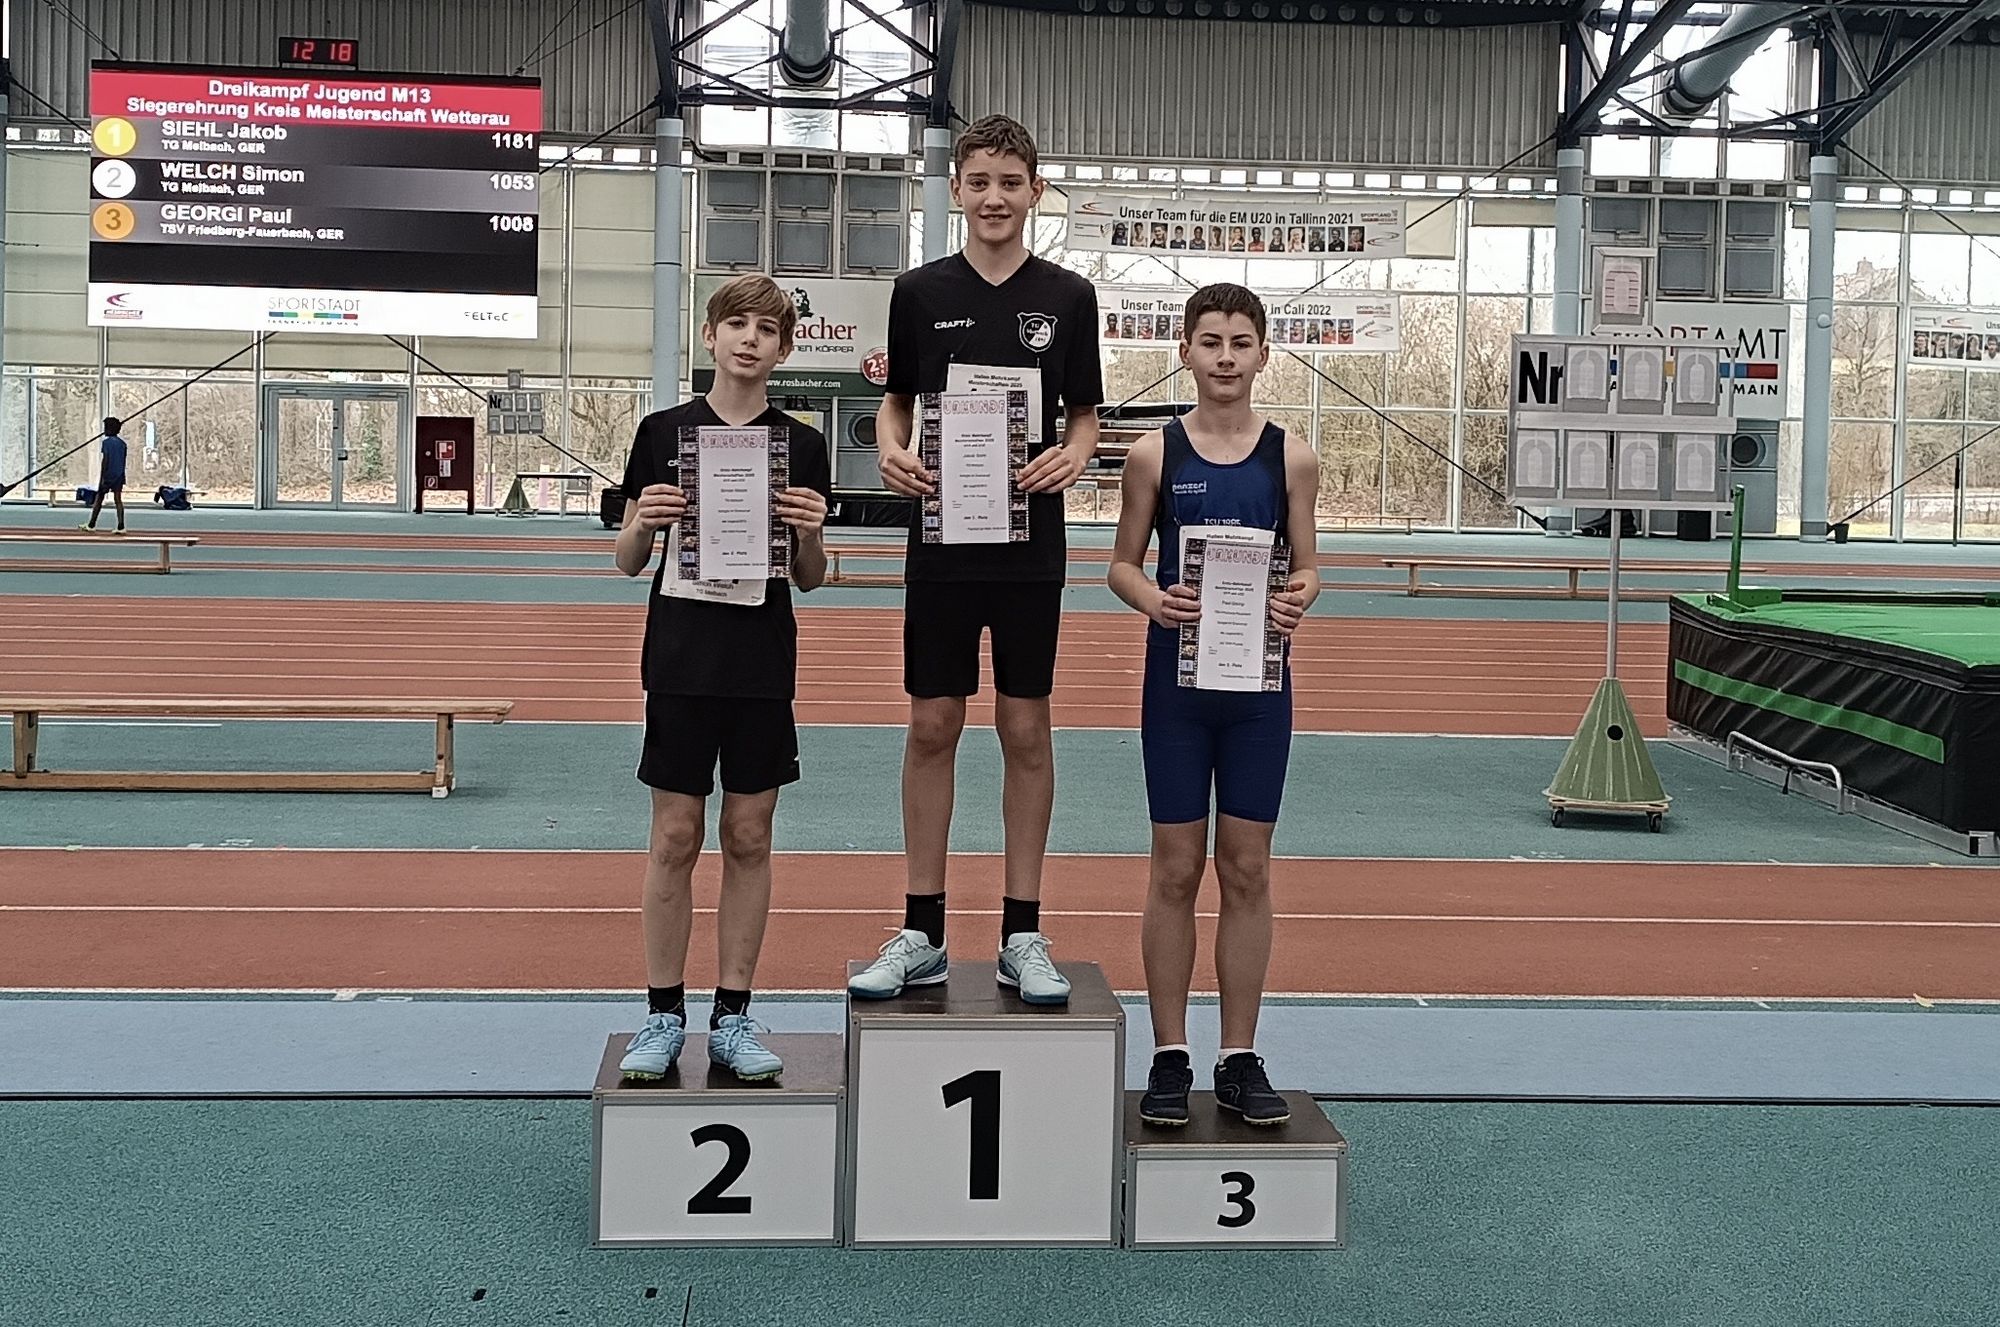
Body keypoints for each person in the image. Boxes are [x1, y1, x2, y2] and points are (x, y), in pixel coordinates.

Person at [852, 113, 1103, 1005]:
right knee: (932, 724)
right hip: (942, 538)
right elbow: (897, 402)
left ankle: (1022, 932)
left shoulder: (1070, 297)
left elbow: (1084, 416)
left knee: (1026, 728)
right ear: (955, 190)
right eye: (980, 182)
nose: (995, 197)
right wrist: (890, 449)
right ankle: (921, 930)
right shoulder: (918, 291)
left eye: (1011, 182)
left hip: (1031, 544)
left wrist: (1075, 455)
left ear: (1036, 190)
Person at [1105, 283, 1321, 1127]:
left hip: (1260, 689)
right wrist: (1153, 600)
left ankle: (1238, 1054)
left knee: (1248, 866)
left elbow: (1309, 566)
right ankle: (1170, 1052)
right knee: (1173, 866)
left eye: (1239, 342)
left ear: (1264, 353)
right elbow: (1121, 565)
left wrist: (1300, 595)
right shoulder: (1152, 455)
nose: (1225, 357)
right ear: (1185, 352)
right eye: (1210, 342)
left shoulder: (1291, 457)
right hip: (1178, 687)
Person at [613, 273, 833, 1083]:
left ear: (784, 348)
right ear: (710, 335)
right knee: (675, 835)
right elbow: (627, 559)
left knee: (749, 833)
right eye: (736, 324)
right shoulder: (662, 431)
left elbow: (810, 576)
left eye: (767, 330)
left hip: (760, 662)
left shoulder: (801, 445)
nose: (749, 339)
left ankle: (734, 1015)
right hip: (680, 656)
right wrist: (643, 522)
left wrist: (811, 535)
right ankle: (662, 1015)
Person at [81, 417, 128, 534]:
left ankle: (91, 524)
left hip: (108, 475)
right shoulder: (122, 444)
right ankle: (121, 526)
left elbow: (105, 460)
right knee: (118, 499)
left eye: (106, 428)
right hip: (119, 475)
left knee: (99, 499)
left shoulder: (106, 443)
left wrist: (102, 478)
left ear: (110, 429)